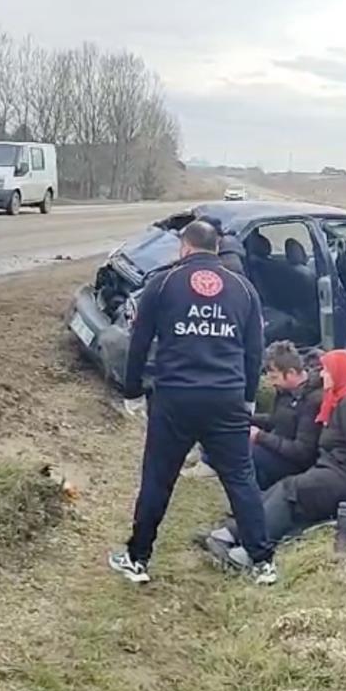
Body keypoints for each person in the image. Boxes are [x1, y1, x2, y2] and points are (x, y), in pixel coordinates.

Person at [109, 219, 276, 585]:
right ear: (217, 248)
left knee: (158, 478)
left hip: (175, 398)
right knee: (240, 478)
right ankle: (263, 562)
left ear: (184, 248)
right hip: (226, 398)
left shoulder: (164, 283)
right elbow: (254, 352)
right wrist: (248, 398)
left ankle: (138, 558)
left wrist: (133, 391)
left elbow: (138, 343)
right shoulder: (243, 289)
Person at [205, 349, 346, 566]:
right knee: (281, 488)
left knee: (290, 492)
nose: (322, 375)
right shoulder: (343, 399)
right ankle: (232, 532)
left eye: (328, 371)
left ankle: (251, 554)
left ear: (341, 373)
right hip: (339, 469)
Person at [249, 341, 323, 490]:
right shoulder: (285, 392)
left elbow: (303, 452)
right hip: (279, 449)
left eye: (274, 377)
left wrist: (260, 437)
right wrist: (246, 419)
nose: (271, 383)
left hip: (297, 464)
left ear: (291, 373)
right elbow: (275, 421)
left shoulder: (313, 400)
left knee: (242, 451)